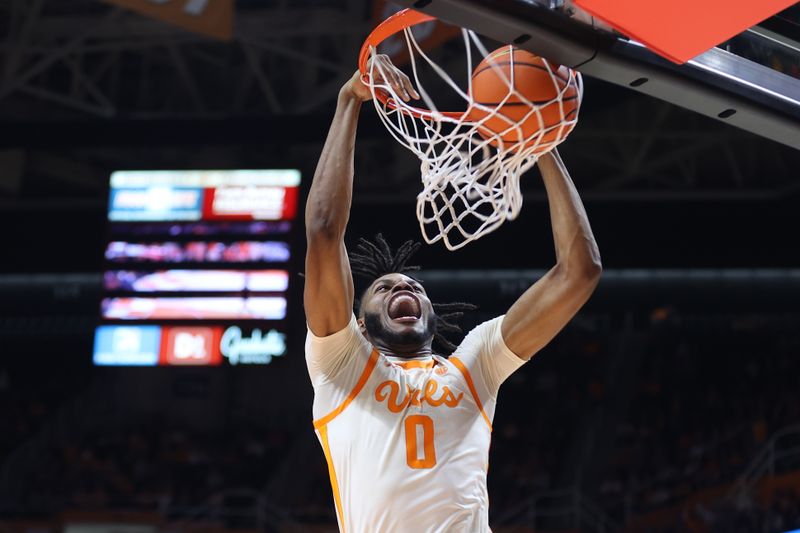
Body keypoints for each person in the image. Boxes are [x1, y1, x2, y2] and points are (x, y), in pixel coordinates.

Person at [304, 55, 602, 533]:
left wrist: (538, 136)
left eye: (412, 285)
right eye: (383, 288)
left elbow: (579, 272)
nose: (403, 285)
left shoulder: (475, 365)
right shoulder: (340, 364)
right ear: (359, 323)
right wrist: (349, 100)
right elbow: (323, 229)